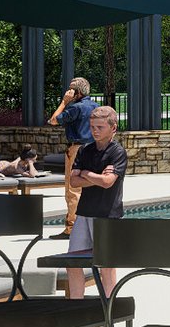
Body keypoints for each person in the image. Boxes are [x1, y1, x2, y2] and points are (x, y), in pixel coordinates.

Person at [64, 106, 128, 301]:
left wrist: (86, 173)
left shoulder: (117, 152)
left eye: (100, 126)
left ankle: (108, 311)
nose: (95, 131)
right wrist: (96, 177)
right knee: (72, 262)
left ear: (113, 128)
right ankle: (77, 308)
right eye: (92, 126)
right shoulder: (85, 150)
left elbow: (108, 183)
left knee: (106, 266)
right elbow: (73, 181)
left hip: (107, 215)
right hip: (83, 213)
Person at [44, 77, 95, 173]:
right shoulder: (96, 106)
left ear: (78, 92)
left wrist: (64, 102)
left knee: (73, 183)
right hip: (94, 147)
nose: (68, 92)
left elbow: (53, 120)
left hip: (77, 149)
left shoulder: (75, 108)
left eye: (71, 89)